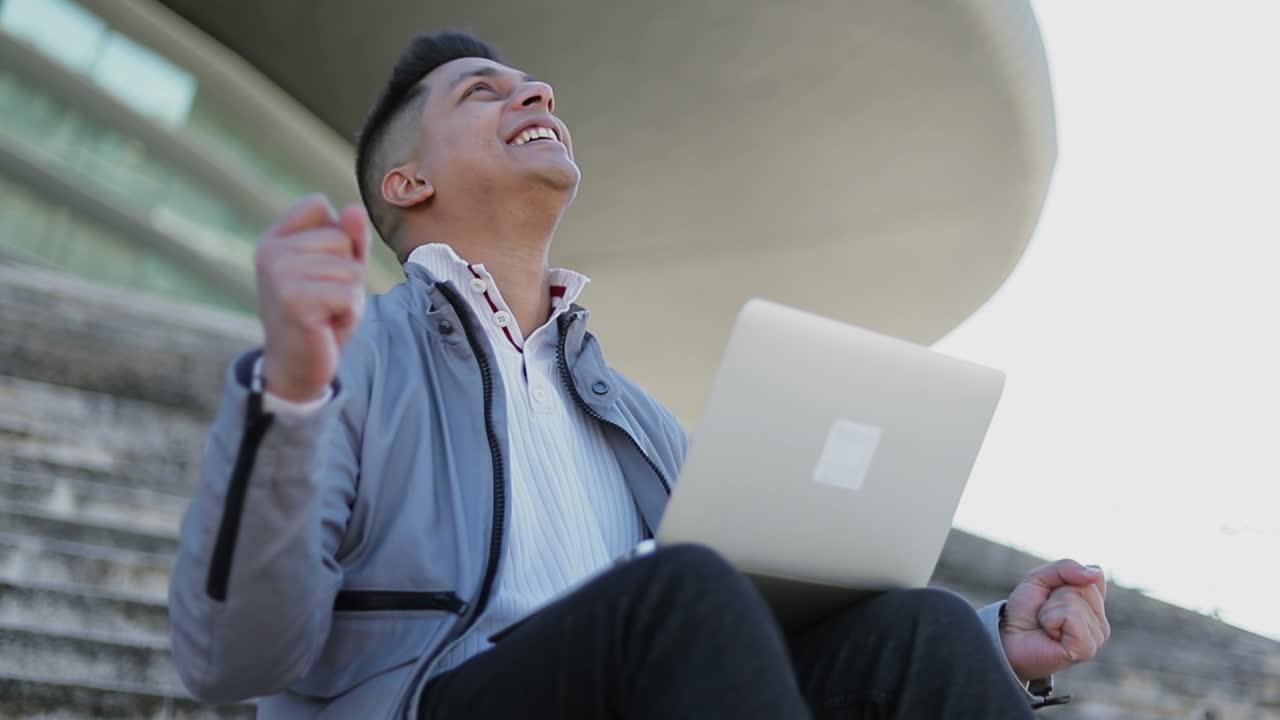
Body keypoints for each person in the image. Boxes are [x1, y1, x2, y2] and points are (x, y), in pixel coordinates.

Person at [169, 31, 1110, 719]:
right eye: (482, 94)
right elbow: (234, 657)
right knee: (686, 592)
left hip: (646, 686)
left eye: (535, 87)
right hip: (439, 706)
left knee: (927, 631)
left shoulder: (638, 422)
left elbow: (754, 642)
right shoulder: (349, 364)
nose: (534, 94)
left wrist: (999, 644)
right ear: (407, 184)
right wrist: (292, 394)